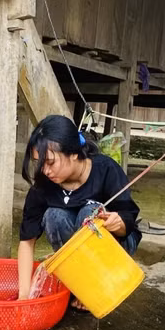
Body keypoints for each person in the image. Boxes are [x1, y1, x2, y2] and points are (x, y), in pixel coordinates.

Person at [16, 115, 142, 301]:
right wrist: (23, 296)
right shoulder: (43, 186)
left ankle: (95, 287)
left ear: (74, 153)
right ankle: (78, 285)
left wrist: (119, 222)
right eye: (39, 163)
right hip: (77, 253)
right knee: (53, 215)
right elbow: (27, 241)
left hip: (117, 246)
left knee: (89, 212)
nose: (45, 170)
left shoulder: (106, 169)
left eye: (50, 162)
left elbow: (128, 221)